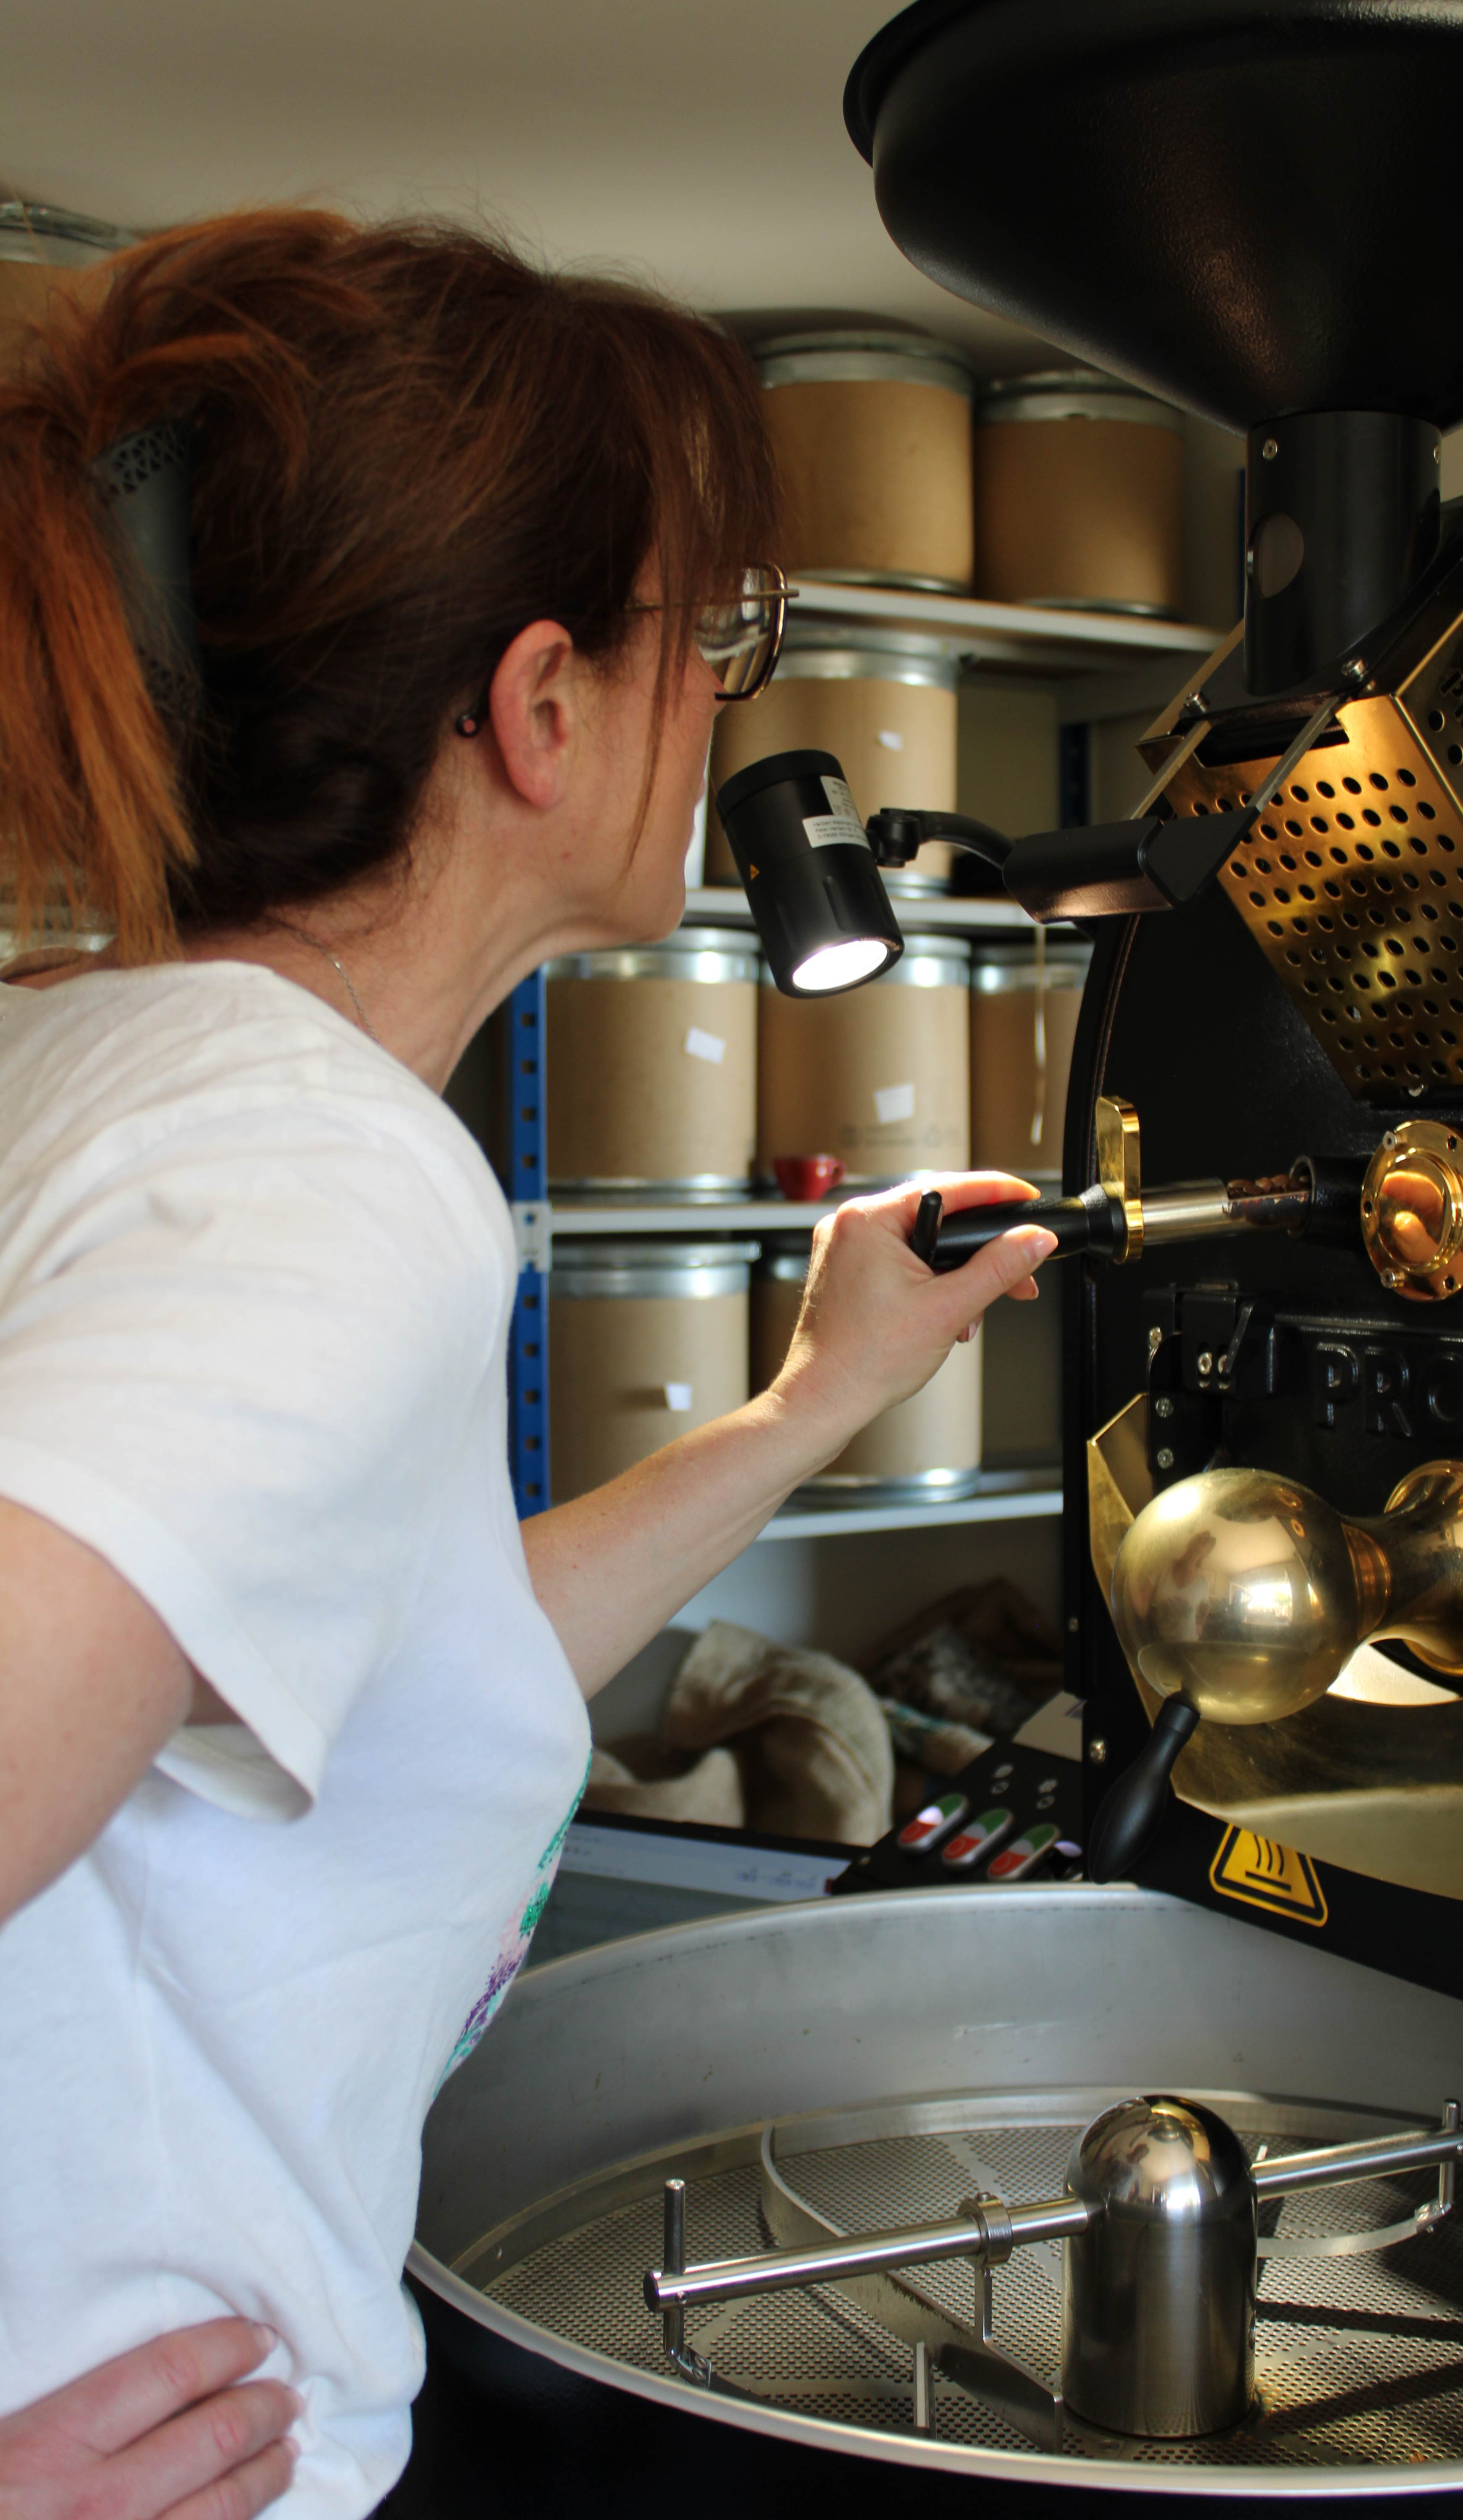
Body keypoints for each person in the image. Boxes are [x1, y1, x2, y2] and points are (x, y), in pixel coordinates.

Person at [0, 211, 1058, 2519]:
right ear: (543, 703)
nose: (726, 712)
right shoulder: (318, 1176)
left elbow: (385, 1669)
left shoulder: (91, 1067)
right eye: (717, 641)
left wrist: (813, 1401)